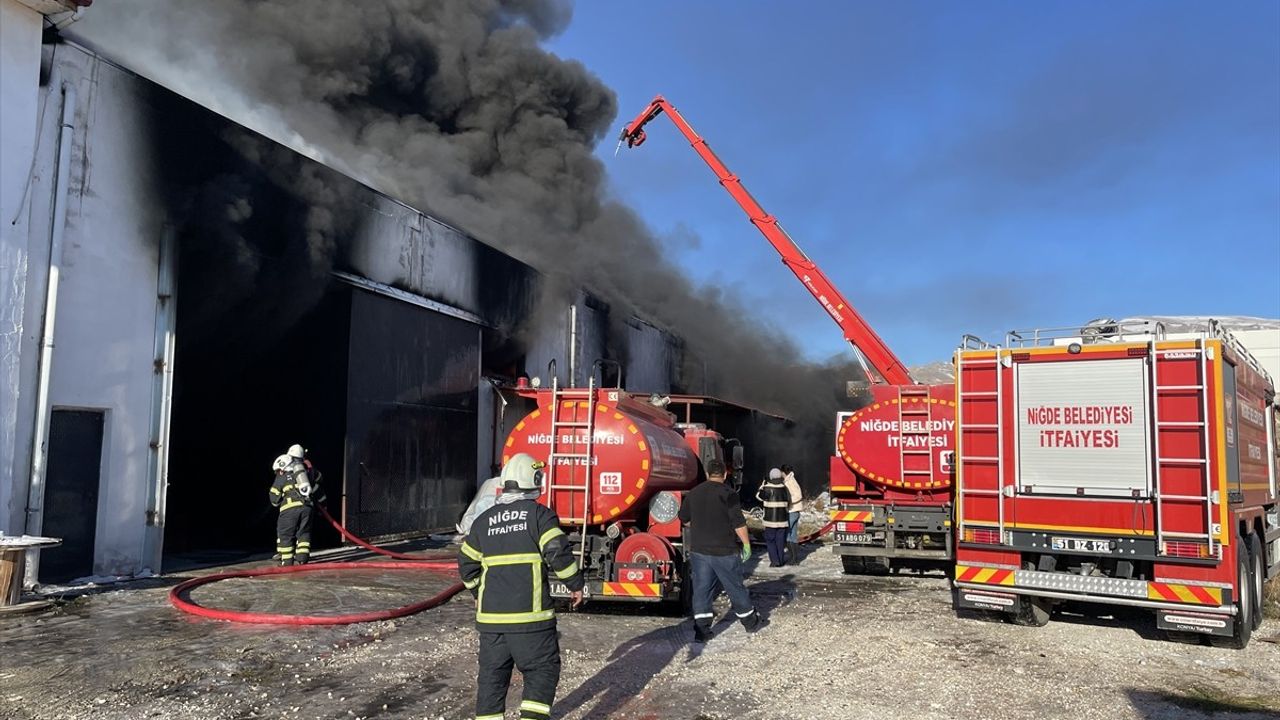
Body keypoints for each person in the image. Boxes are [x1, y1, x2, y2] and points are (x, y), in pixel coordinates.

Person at [457, 453, 584, 720]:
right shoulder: (540, 516)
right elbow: (557, 552)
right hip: (531, 620)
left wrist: (476, 592)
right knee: (542, 672)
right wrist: (575, 584)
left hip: (491, 622)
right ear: (534, 480)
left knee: (492, 680)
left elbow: (466, 563)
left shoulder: (483, 522)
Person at [678, 458, 763, 643]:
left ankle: (701, 631)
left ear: (708, 474)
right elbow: (738, 523)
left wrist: (700, 526)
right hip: (725, 551)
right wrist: (746, 543)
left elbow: (684, 518)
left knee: (701, 591)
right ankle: (751, 622)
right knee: (735, 587)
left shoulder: (694, 493)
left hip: (700, 551)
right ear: (725, 475)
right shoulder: (729, 493)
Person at [268, 444, 325, 566]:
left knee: (285, 534)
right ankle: (302, 558)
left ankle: (287, 561)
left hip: (289, 511)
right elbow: (318, 486)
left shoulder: (282, 477)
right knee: (304, 533)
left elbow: (274, 499)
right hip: (307, 508)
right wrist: (322, 507)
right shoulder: (306, 474)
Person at [756, 468, 791, 567]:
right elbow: (789, 501)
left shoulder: (767, 488)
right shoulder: (785, 488)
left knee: (770, 540)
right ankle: (780, 560)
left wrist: (762, 485)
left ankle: (774, 561)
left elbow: (758, 496)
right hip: (783, 520)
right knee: (780, 541)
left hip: (770, 520)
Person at [781, 463, 804, 561]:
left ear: (784, 472)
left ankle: (793, 558)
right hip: (795, 511)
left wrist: (788, 502)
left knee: (788, 535)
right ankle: (794, 558)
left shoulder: (790, 481)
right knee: (793, 535)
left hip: (792, 511)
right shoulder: (790, 480)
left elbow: (798, 495)